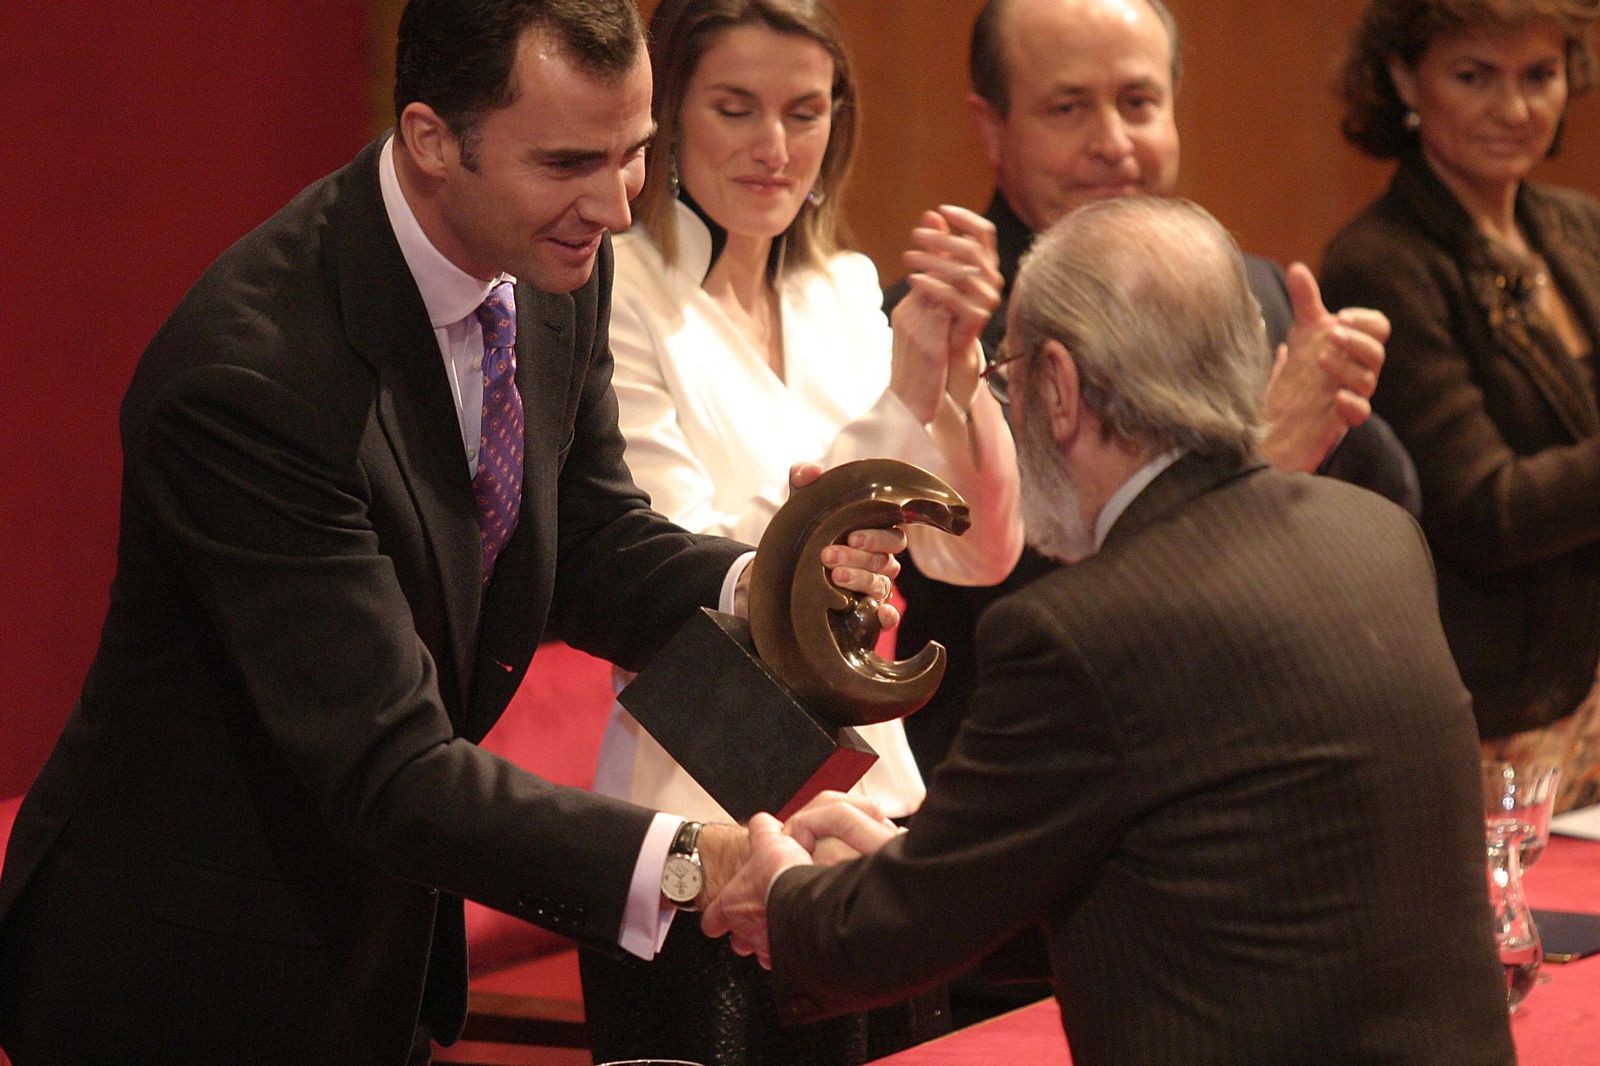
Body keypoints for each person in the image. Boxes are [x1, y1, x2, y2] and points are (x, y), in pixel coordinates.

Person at [0, 2, 903, 1063]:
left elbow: (589, 538)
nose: (615, 208)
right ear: (431, 140)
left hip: (377, 942)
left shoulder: (553, 258)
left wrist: (770, 582)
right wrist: (698, 864)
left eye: (635, 155)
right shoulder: (251, 378)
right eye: (569, 161)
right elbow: (388, 766)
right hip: (186, 974)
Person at [704, 195, 1516, 1066]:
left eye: (1008, 374)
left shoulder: (1079, 632)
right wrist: (913, 865)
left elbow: (885, 939)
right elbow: (1192, 873)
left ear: (1058, 385)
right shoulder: (1376, 537)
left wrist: (789, 890)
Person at [576, 1, 1022, 1062]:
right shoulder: (613, 288)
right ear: (666, 116)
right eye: (735, 108)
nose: (775, 148)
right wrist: (900, 402)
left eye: (805, 111)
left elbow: (974, 549)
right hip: (702, 804)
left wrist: (958, 384)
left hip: (870, 798)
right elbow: (694, 572)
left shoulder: (843, 290)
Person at [888, 0, 1418, 785]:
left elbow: (1390, 526)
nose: (1113, 143)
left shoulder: (1259, 301)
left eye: (1139, 103)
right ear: (991, 125)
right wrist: (1258, 463)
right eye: (1068, 108)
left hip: (1261, 774)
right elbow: (1001, 612)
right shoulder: (932, 336)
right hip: (1031, 794)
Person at [1321, 0, 1600, 813]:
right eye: (1475, 76)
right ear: (1405, 78)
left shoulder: (1578, 228)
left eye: (1540, 76)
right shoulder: (1381, 263)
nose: (1515, 110)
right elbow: (1486, 509)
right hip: (1499, 714)